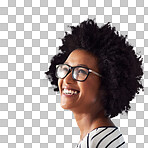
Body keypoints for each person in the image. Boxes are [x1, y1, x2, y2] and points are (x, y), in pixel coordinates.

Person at [45, 19, 144, 148]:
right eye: (65, 68)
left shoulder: (98, 142)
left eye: (80, 71)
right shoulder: (99, 137)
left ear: (107, 84)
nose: (67, 79)